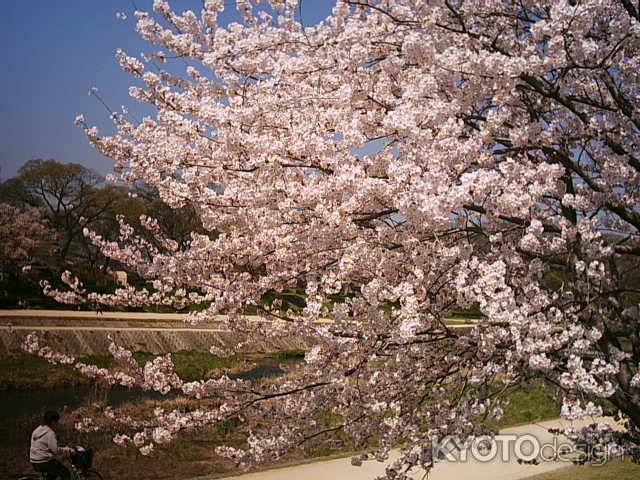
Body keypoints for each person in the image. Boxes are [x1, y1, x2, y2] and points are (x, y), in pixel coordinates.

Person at [30, 410, 72, 480]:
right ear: (53, 422)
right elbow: (55, 451)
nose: (57, 424)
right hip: (43, 462)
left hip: (34, 460)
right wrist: (68, 449)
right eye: (57, 422)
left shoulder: (37, 429)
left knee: (52, 474)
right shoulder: (50, 433)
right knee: (65, 473)